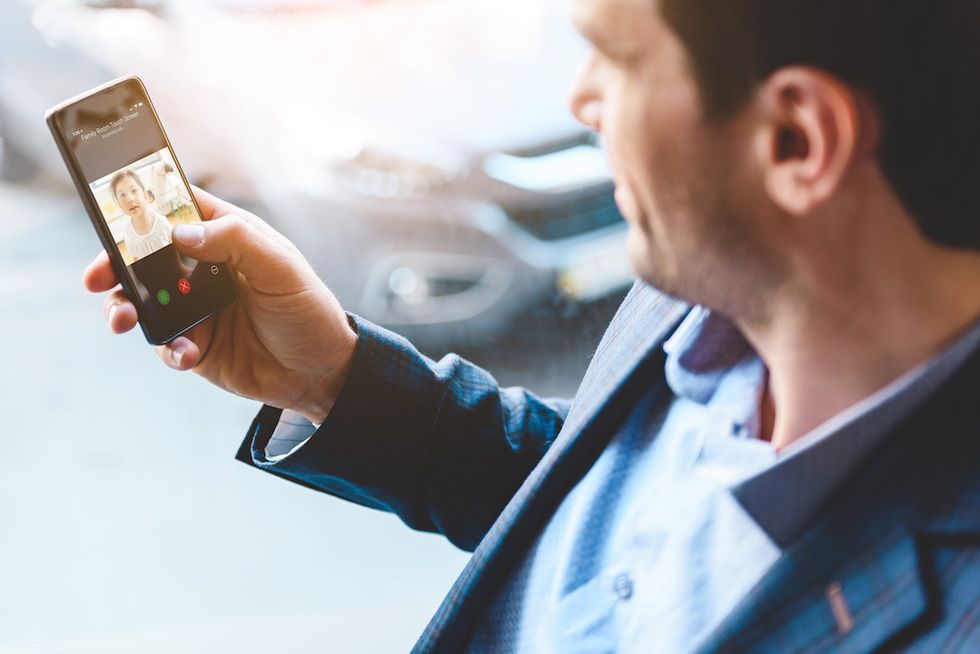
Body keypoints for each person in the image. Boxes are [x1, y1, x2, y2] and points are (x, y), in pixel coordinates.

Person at [83, 0, 980, 651]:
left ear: (796, 140)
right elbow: (591, 503)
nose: (580, 100)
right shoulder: (697, 296)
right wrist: (331, 377)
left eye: (616, 57)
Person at [109, 169, 173, 262]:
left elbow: (177, 246)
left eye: (134, 191)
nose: (130, 199)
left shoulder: (161, 221)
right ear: (119, 205)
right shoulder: (127, 230)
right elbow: (135, 257)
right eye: (122, 195)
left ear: (145, 195)